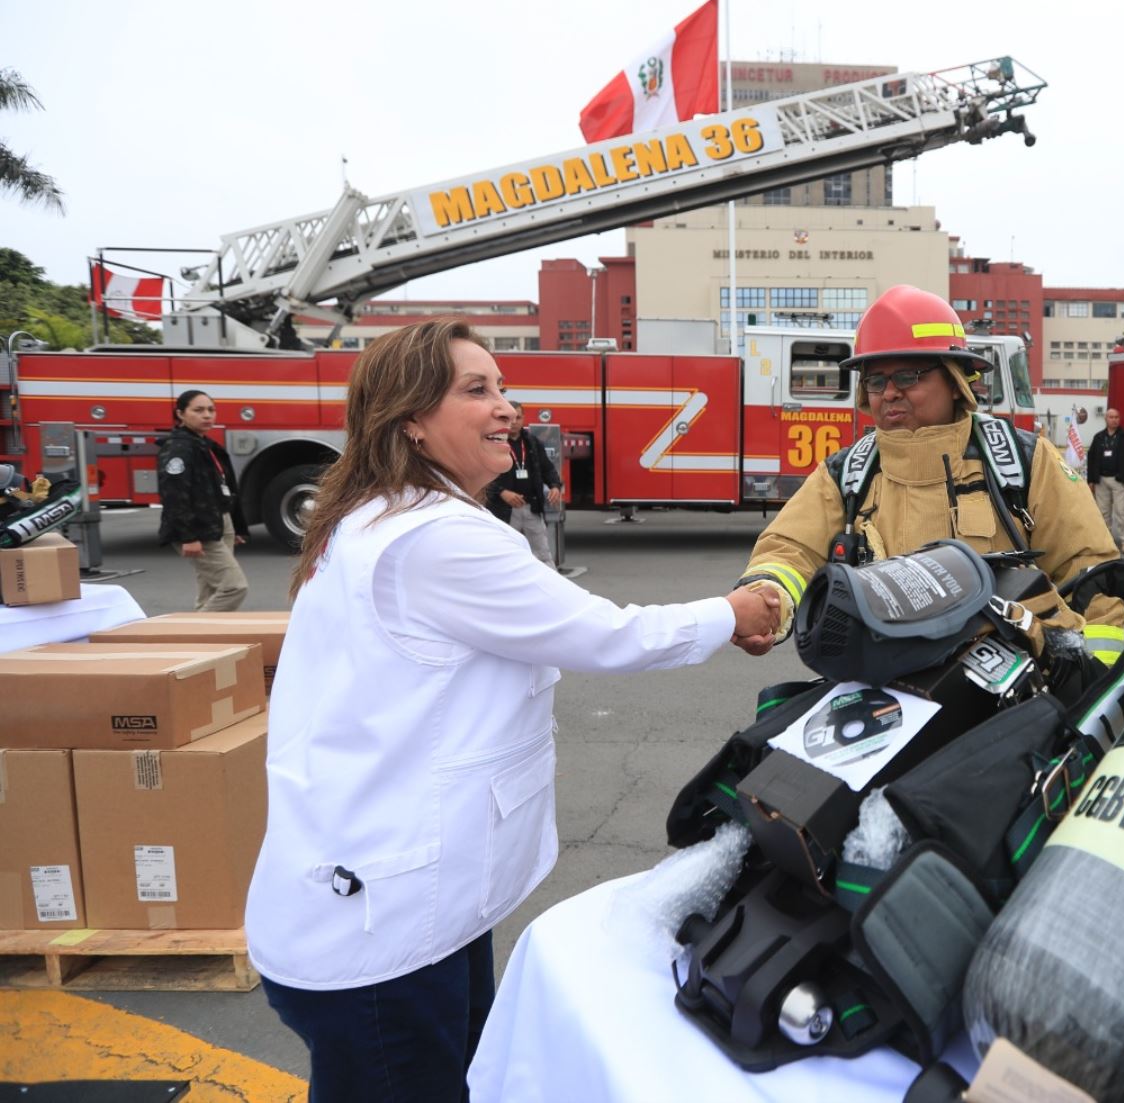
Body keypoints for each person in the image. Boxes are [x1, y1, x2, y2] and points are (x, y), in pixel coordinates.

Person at [244, 318, 778, 1101]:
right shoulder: (434, 539)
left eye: (502, 386)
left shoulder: (373, 517)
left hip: (395, 900)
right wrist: (734, 611)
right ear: (410, 418)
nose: (508, 406)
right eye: (477, 389)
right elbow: (605, 634)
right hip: (383, 928)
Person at [732, 285, 1124, 666]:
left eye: (907, 376)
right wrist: (767, 597)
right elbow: (790, 551)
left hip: (1010, 701)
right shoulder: (845, 475)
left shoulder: (1024, 461)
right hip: (882, 688)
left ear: (955, 381)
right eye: (875, 380)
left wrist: (1095, 683)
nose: (888, 393)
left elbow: (1090, 570)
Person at [156, 389, 249, 611]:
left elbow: (224, 489)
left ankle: (205, 639)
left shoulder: (204, 444)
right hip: (199, 527)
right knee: (234, 587)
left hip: (218, 522)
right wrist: (188, 536)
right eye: (198, 410)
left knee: (210, 588)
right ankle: (195, 631)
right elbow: (174, 493)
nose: (207, 415)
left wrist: (235, 527)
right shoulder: (179, 447)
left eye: (211, 410)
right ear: (180, 414)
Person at [485, 402, 562, 566]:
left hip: (531, 506)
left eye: (518, 417)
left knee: (542, 552)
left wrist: (555, 485)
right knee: (505, 552)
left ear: (523, 419)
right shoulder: (494, 442)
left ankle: (549, 586)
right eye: (510, 418)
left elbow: (547, 468)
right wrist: (502, 492)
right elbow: (483, 474)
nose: (514, 422)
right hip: (505, 509)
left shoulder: (532, 442)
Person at [1086, 407, 1124, 553]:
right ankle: (1106, 542)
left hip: (1119, 480)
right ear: (1106, 419)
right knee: (1103, 513)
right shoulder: (1098, 438)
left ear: (1119, 419)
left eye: (1116, 417)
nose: (1114, 420)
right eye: (1111, 417)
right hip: (1101, 480)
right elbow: (1091, 459)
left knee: (1122, 511)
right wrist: (1090, 480)